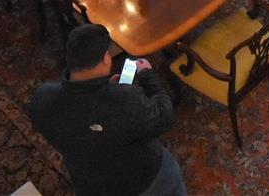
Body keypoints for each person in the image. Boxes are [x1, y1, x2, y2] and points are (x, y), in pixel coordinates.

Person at [29, 24, 185, 196]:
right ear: (105, 58)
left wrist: (107, 91)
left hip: (90, 184)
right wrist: (148, 75)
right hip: (144, 181)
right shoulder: (124, 100)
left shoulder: (42, 97)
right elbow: (164, 116)